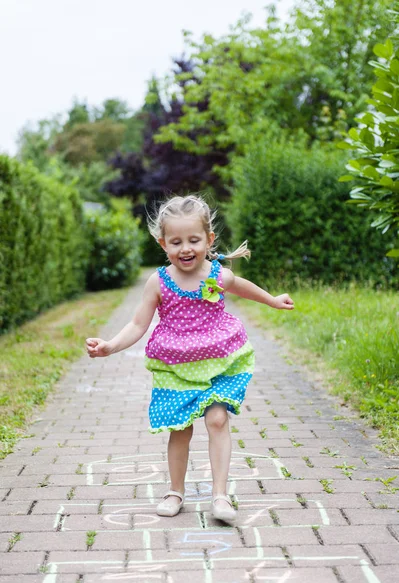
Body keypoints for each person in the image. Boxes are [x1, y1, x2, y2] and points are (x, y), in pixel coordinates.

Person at [86, 195, 294, 525]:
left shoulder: (217, 275)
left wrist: (272, 301)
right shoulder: (159, 282)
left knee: (216, 420)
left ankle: (220, 496)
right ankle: (175, 491)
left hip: (219, 360)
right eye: (176, 241)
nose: (186, 248)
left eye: (194, 240)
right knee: (180, 430)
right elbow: (139, 323)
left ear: (209, 240)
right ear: (163, 243)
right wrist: (110, 345)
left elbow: (243, 287)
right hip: (177, 366)